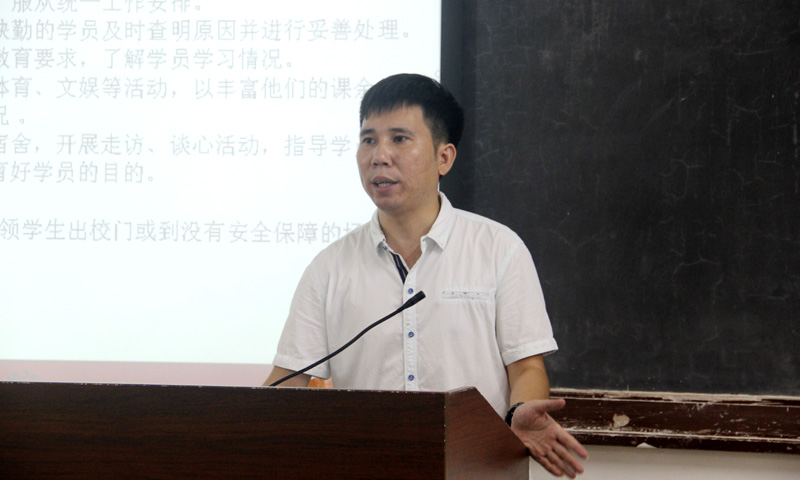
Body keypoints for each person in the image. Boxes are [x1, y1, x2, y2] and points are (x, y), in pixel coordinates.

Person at [264, 73, 588, 478]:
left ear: (444, 158)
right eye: (368, 140)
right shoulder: (329, 267)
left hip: (477, 469)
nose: (379, 156)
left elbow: (526, 367)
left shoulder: (498, 249)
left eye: (399, 138)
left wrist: (518, 412)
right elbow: (288, 380)